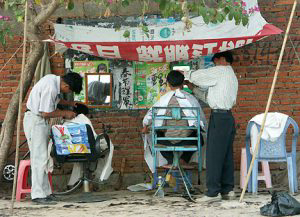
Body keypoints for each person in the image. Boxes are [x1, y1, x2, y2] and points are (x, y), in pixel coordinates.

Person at [185, 51, 238, 202]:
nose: (214, 65)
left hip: (219, 118)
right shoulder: (231, 76)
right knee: (226, 155)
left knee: (214, 155)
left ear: (221, 59)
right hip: (227, 117)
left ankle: (213, 192)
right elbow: (210, 98)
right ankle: (228, 189)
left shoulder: (221, 70)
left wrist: (187, 74)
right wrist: (192, 88)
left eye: (214, 62)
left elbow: (197, 76)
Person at [23, 73, 83, 205]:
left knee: (44, 158)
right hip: (35, 120)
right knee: (39, 158)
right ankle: (37, 194)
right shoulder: (51, 87)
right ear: (66, 85)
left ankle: (46, 192)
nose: (68, 92)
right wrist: (65, 113)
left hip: (39, 121)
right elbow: (46, 113)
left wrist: (69, 103)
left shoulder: (52, 80)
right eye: (70, 91)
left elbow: (54, 101)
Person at [142, 70, 206, 164]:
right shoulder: (190, 99)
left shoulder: (163, 100)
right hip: (188, 141)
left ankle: (171, 160)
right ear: (183, 82)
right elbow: (201, 121)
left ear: (168, 83)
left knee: (155, 136)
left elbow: (150, 117)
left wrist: (146, 126)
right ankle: (184, 159)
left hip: (166, 141)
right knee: (200, 138)